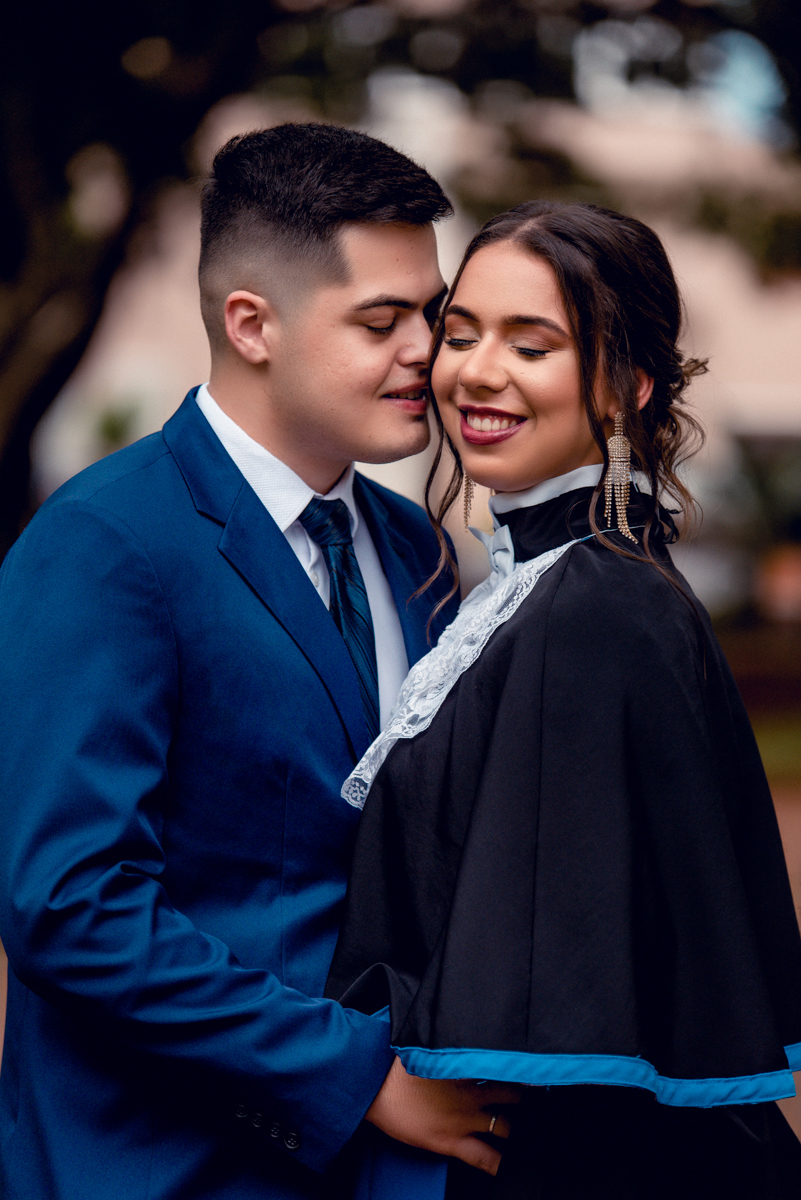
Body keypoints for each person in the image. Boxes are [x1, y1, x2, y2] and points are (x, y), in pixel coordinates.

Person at [0, 124, 518, 1200]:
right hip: (166, 1164)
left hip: (396, 1169)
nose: (429, 349)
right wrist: (358, 1078)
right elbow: (69, 903)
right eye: (382, 320)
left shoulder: (418, 545)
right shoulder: (106, 543)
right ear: (252, 324)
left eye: (433, 312)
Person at [326, 200, 801, 1198]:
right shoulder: (551, 583)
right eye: (461, 334)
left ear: (625, 388)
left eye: (530, 344)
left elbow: (577, 1027)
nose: (475, 371)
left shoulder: (594, 614)